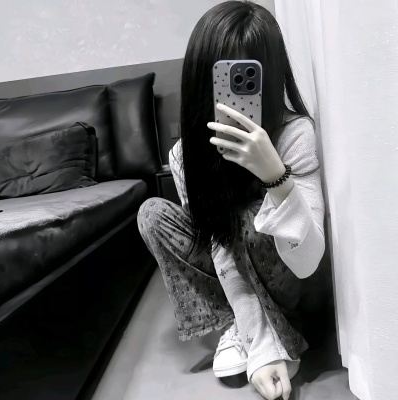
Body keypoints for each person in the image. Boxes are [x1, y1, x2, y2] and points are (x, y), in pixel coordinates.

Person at [137, 1, 333, 399]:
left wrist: (275, 177)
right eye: (223, 76)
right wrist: (260, 342)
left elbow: (308, 261)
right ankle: (244, 325)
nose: (236, 91)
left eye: (249, 76)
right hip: (240, 275)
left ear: (271, 75)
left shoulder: (295, 135)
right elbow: (221, 249)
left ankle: (284, 330)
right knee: (153, 214)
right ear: (200, 78)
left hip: (295, 285)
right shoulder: (185, 156)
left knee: (250, 214)